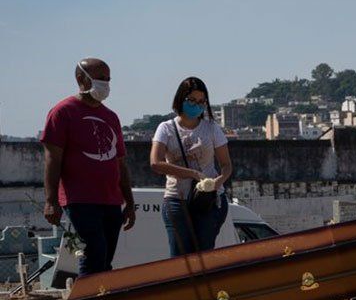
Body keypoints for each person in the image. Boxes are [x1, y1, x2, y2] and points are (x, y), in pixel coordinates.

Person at [40, 58, 136, 276]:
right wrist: (50, 201)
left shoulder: (110, 117)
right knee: (94, 252)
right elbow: (52, 159)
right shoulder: (63, 112)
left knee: (106, 258)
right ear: (81, 78)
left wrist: (129, 202)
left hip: (110, 199)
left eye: (108, 79)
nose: (105, 84)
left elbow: (120, 163)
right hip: (80, 199)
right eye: (100, 79)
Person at [150, 77, 233, 256]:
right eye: (192, 100)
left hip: (208, 199)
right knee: (180, 257)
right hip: (176, 197)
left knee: (203, 253)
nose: (197, 105)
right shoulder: (165, 128)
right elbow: (155, 162)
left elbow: (226, 165)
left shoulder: (211, 128)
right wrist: (193, 174)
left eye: (202, 102)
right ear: (181, 99)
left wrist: (219, 181)